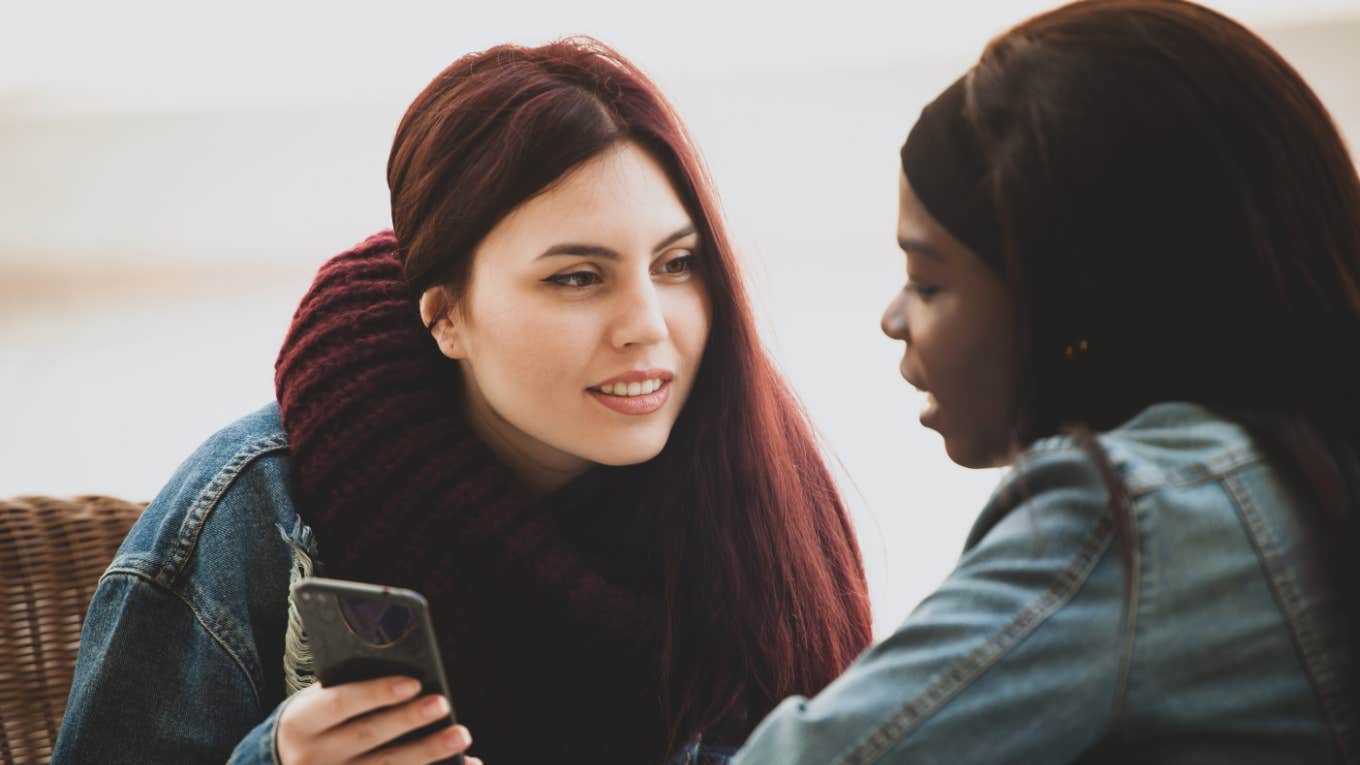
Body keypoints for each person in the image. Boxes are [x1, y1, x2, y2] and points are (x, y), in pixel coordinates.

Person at [54, 38, 873, 765]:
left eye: (677, 263)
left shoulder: (762, 503)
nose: (647, 327)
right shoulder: (256, 512)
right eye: (577, 277)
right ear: (447, 317)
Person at [732, 1, 1360, 762]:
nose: (893, 318)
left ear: (1074, 297)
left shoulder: (1134, 516)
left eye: (928, 281)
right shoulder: (1304, 464)